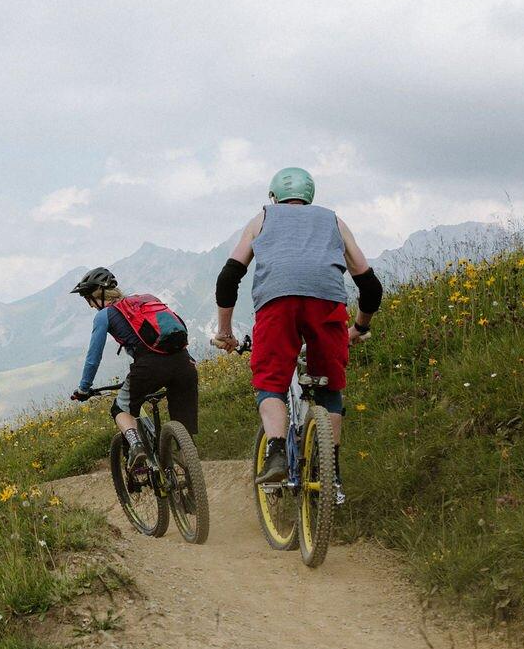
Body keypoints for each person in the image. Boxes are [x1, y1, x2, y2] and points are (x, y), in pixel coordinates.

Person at [209, 167, 382, 500]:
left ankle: (275, 451)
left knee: (270, 381)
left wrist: (225, 332)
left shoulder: (263, 217)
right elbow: (370, 284)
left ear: (273, 197)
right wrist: (359, 327)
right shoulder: (334, 220)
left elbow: (228, 278)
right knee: (330, 387)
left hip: (277, 304)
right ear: (310, 196)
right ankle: (330, 475)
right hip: (327, 303)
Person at [67, 267, 199, 483]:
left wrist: (84, 388)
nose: (91, 305)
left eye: (90, 299)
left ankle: (136, 446)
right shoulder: (147, 300)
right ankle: (192, 478)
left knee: (121, 407)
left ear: (100, 294)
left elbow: (93, 357)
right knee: (183, 428)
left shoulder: (104, 315)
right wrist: (188, 358)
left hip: (149, 368)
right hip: (184, 363)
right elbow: (170, 329)